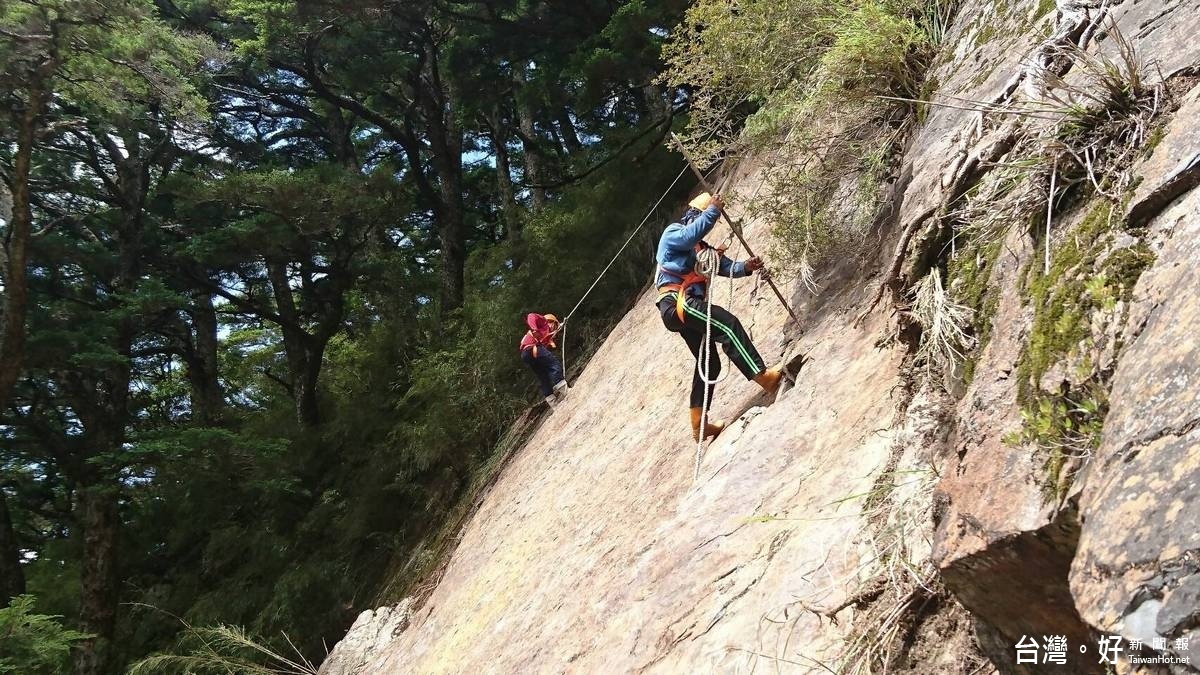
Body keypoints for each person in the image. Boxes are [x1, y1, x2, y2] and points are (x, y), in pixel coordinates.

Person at [656, 192, 782, 441]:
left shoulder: (702, 250)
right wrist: (713, 210)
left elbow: (726, 267)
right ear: (693, 215)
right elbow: (689, 235)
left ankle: (698, 424)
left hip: (682, 307)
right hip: (676, 302)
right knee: (727, 324)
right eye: (701, 217)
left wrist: (746, 267)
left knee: (709, 362)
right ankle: (763, 376)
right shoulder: (674, 233)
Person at [520, 312, 568, 407]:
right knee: (553, 364)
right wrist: (534, 328)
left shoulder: (545, 335)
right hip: (532, 348)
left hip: (526, 354)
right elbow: (531, 316)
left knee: (543, 376)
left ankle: (553, 403)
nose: (555, 329)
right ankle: (565, 391)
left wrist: (561, 325)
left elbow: (551, 334)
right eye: (555, 325)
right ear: (551, 322)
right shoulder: (543, 322)